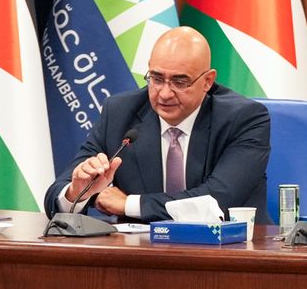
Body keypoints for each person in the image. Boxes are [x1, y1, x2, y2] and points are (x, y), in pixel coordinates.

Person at [43, 27, 270, 222]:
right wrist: (77, 191)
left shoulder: (244, 118)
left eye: (179, 81)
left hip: (228, 251)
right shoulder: (120, 114)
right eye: (157, 78)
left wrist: (129, 204)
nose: (164, 93)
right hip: (141, 253)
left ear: (207, 81)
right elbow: (56, 196)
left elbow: (216, 200)